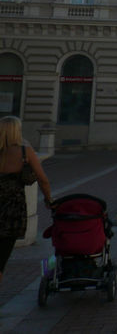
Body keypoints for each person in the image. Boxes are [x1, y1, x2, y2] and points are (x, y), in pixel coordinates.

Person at [0, 116, 53, 285]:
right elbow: (43, 179)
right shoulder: (24, 151)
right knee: (1, 258)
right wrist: (48, 199)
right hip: (11, 211)